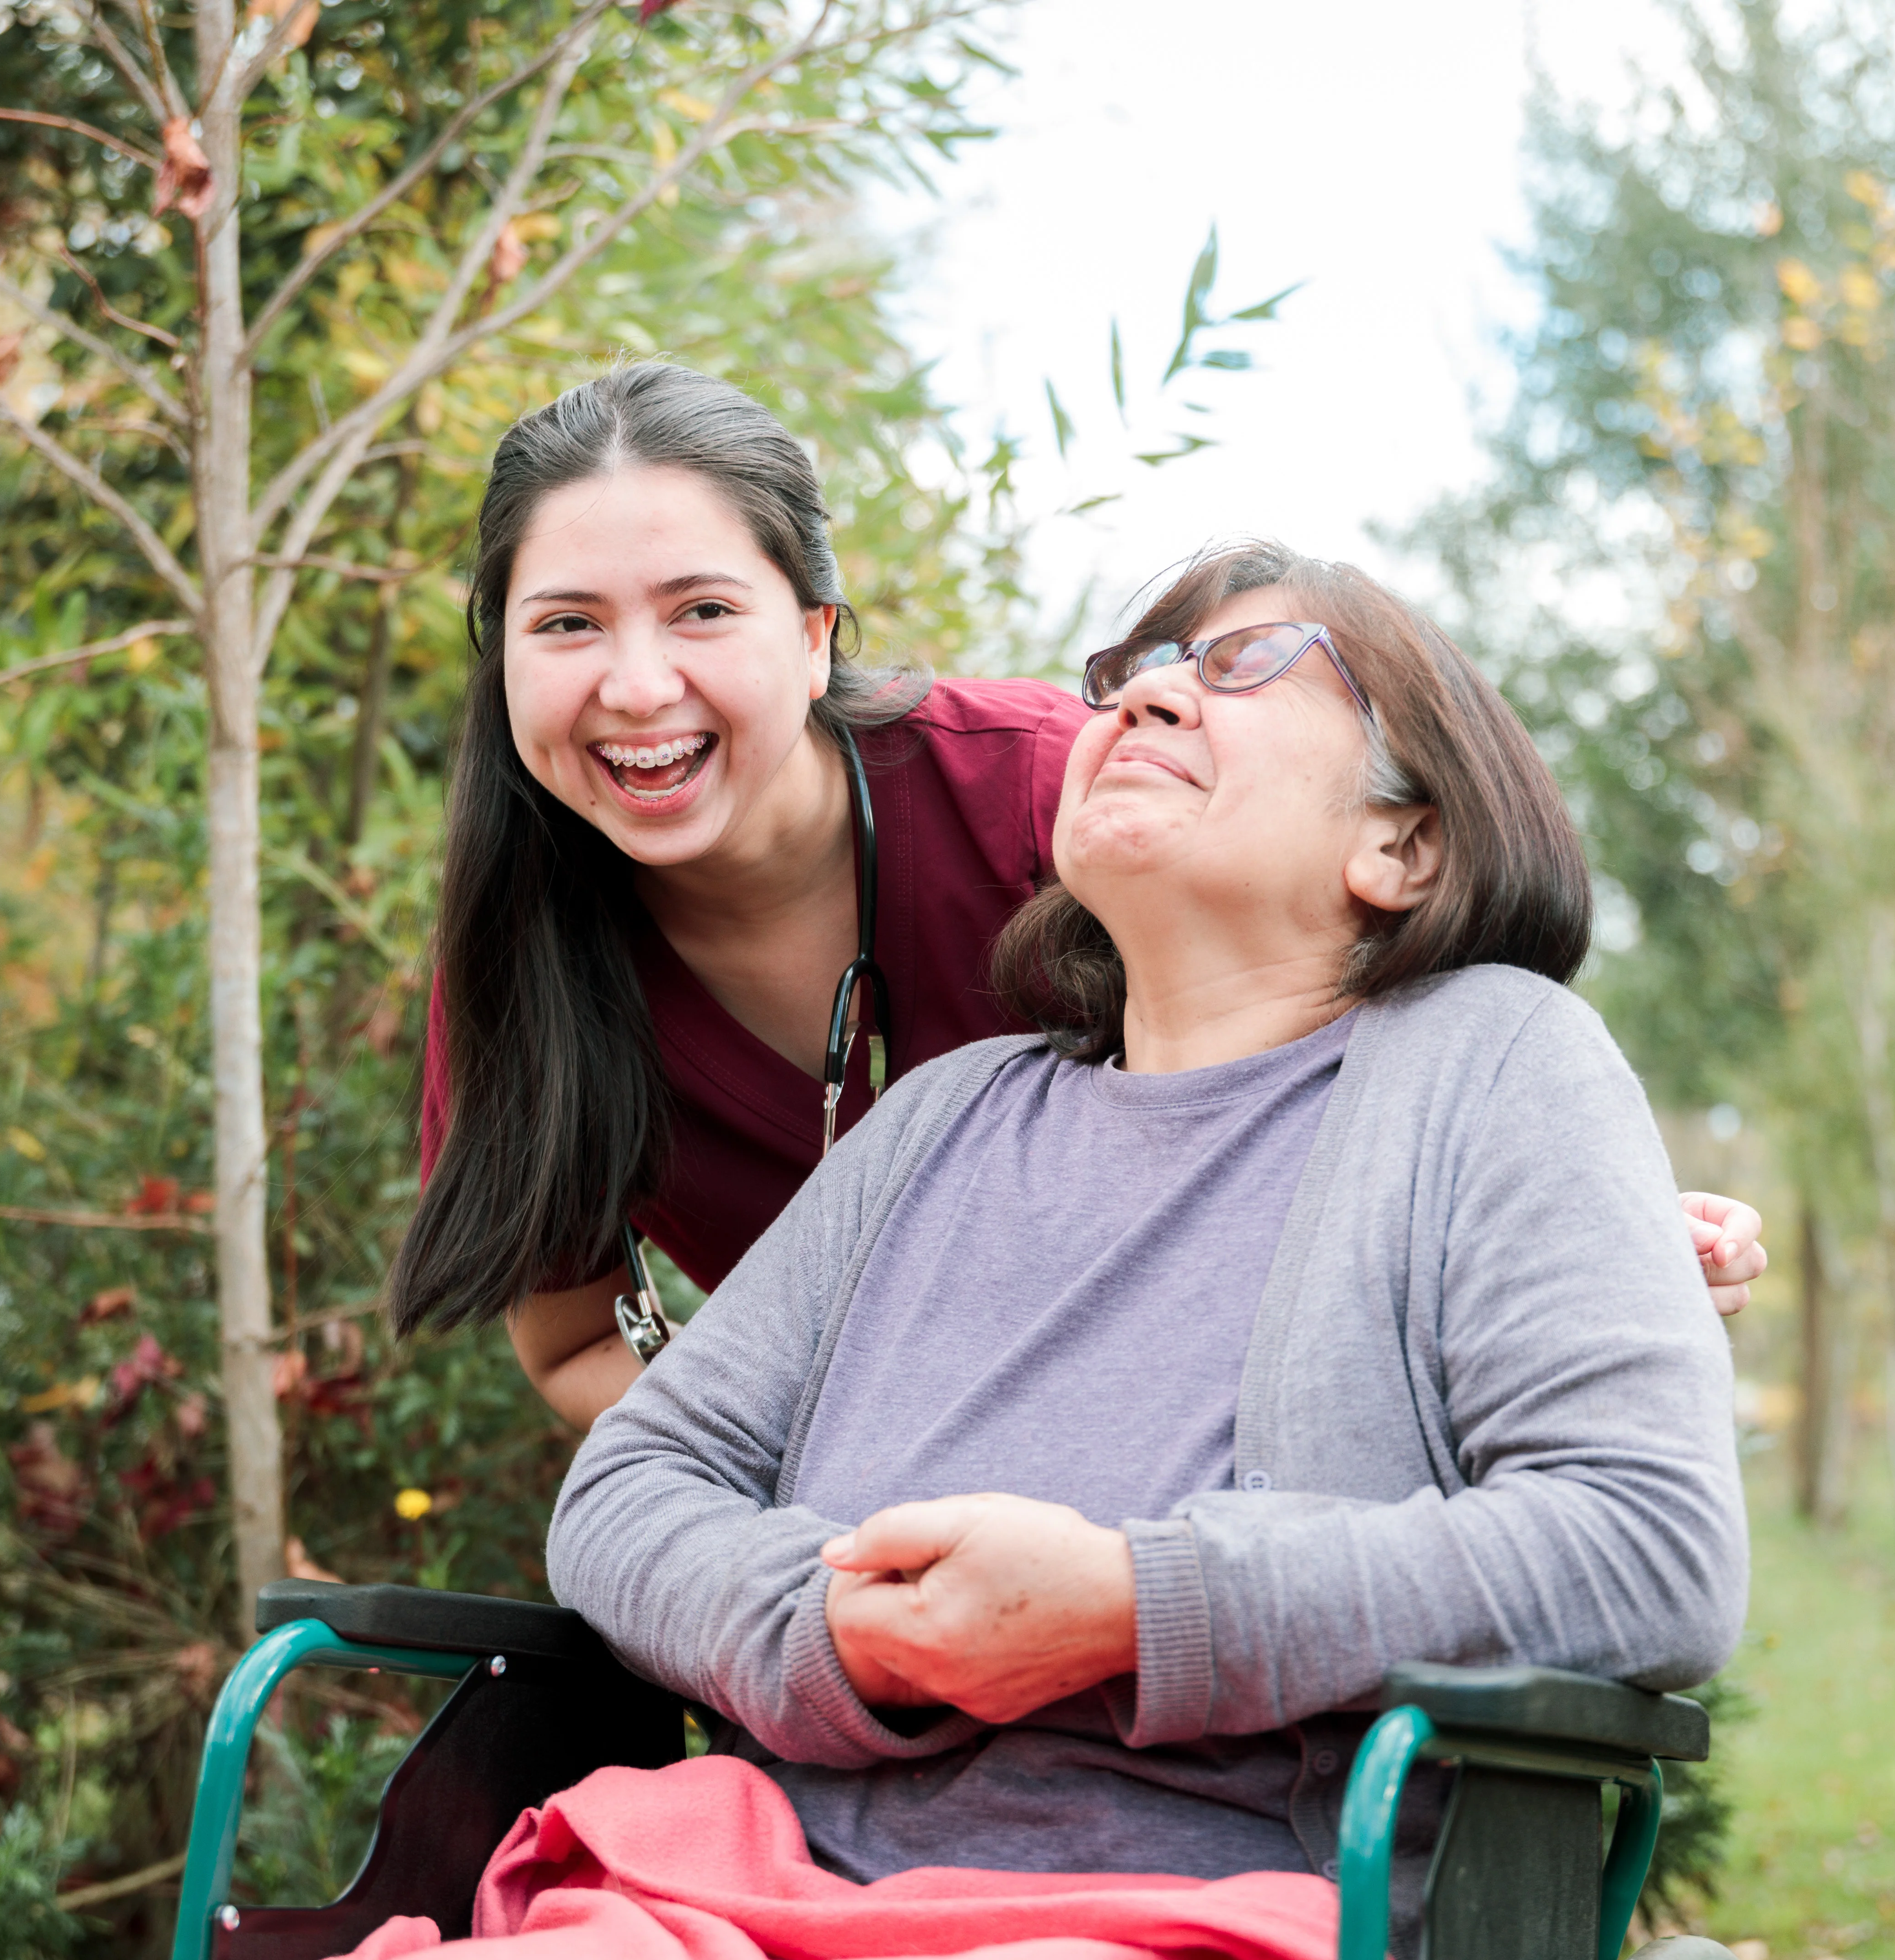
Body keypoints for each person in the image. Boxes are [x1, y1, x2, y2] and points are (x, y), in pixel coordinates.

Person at [544, 538, 1746, 1894]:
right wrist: (840, 1635)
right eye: (1133, 675)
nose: (1147, 698)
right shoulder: (950, 1116)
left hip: (1193, 1928)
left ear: (1402, 844)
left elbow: (1650, 1550)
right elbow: (626, 1498)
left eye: (1243, 665)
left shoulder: (1493, 1065)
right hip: (751, 1897)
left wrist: (1134, 1608)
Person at [388, 362, 1767, 1429]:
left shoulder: (1060, 798)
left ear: (813, 638)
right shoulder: (521, 958)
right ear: (500, 658)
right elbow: (573, 1338)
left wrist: (1574, 1212)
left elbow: (1374, 1008)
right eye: (566, 623)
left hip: (1202, 1463)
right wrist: (775, 1483)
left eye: (702, 612)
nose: (635, 686)